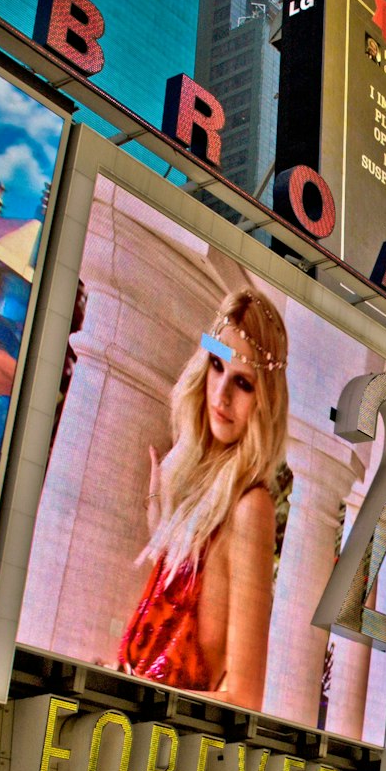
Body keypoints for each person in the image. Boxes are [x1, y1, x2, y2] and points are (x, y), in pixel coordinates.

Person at [118, 289, 287, 711]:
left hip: (167, 745)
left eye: (243, 383)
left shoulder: (252, 509)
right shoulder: (203, 492)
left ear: (264, 402)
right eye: (216, 365)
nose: (221, 396)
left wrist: (138, 699)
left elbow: (244, 698)